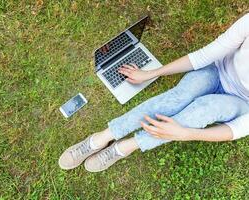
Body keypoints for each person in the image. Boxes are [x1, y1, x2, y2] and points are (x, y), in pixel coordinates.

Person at [59, 13, 249, 172]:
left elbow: (240, 128)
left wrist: (185, 133)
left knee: (204, 110)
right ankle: (102, 138)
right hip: (217, 70)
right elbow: (205, 55)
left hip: (240, 100)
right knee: (177, 98)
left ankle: (125, 147)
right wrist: (151, 73)